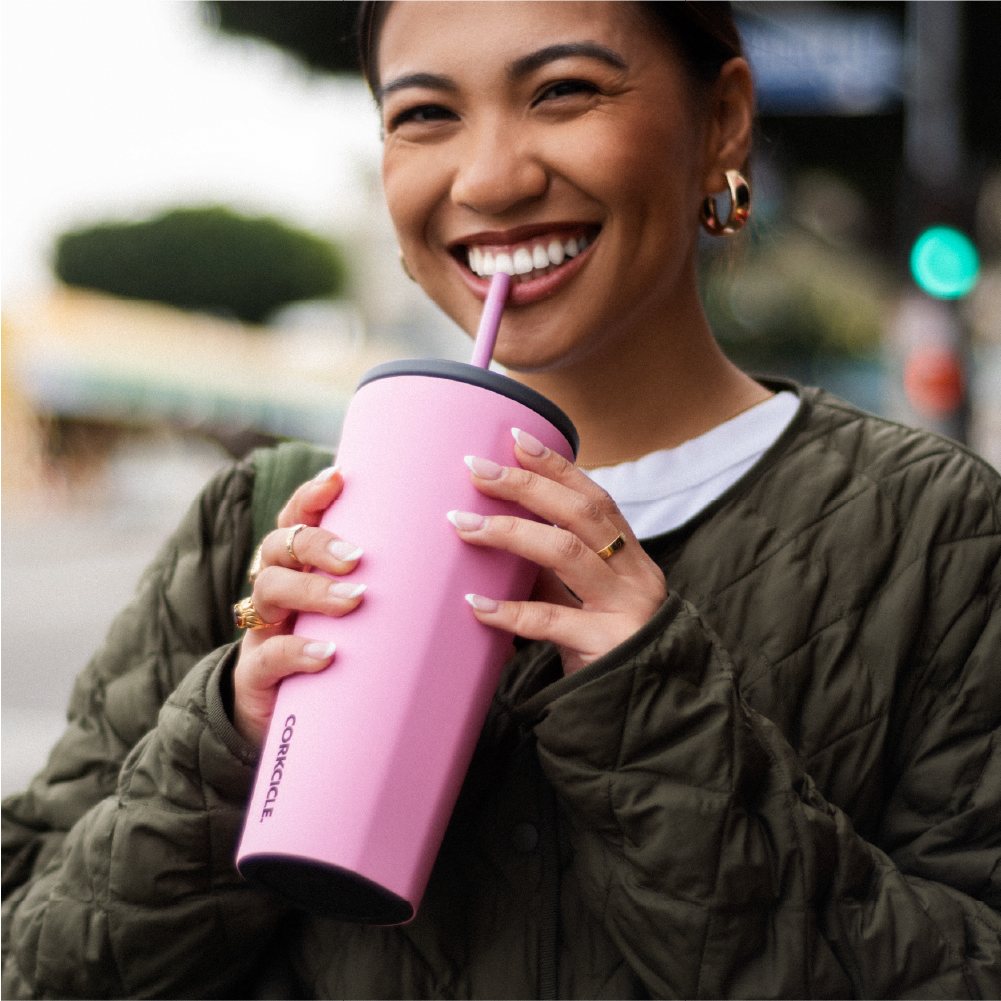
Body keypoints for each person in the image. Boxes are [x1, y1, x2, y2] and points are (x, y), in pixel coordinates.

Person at [3, 0, 999, 997]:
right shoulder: (256, 525)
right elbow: (32, 960)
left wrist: (651, 715)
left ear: (722, 119)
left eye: (563, 92)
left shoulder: (936, 533)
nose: (488, 178)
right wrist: (228, 740)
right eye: (425, 114)